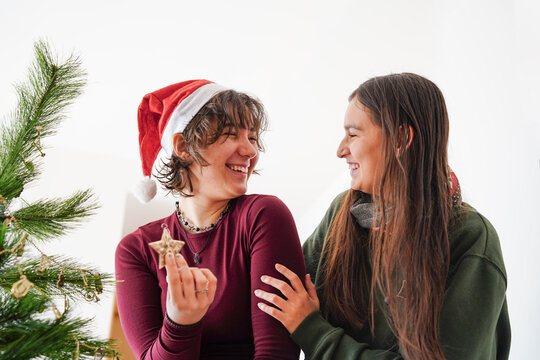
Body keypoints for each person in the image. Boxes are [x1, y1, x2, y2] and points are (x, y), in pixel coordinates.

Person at [255, 73, 510, 359]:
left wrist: (313, 331)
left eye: (353, 134)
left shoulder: (469, 237)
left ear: (401, 138)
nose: (341, 150)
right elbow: (276, 295)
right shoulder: (343, 213)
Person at [115, 80, 306, 359]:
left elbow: (277, 354)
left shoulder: (262, 216)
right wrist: (180, 322)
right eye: (230, 134)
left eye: (252, 138)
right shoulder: (136, 250)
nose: (250, 151)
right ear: (183, 146)